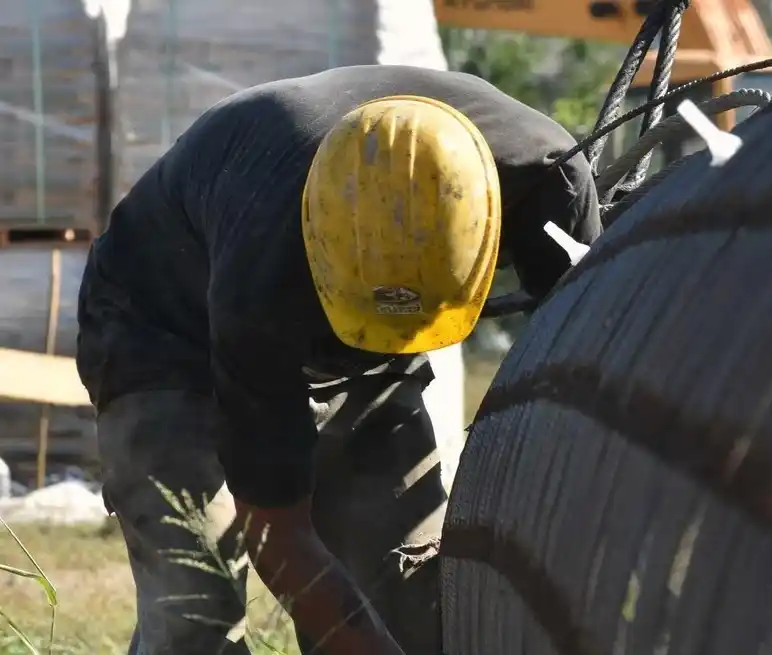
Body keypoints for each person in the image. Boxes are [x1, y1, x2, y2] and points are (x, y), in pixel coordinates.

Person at [76, 64, 602, 655]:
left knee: (415, 603)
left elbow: (593, 391)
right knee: (196, 613)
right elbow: (276, 530)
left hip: (338, 331)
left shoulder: (545, 179)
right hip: (165, 336)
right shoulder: (262, 276)